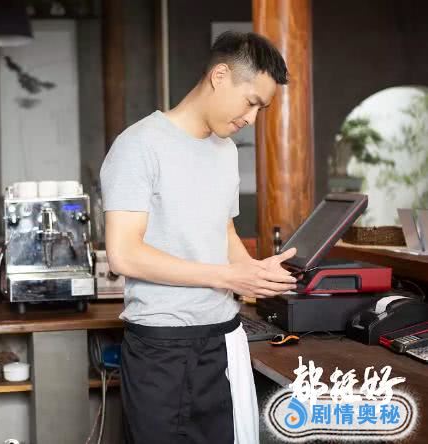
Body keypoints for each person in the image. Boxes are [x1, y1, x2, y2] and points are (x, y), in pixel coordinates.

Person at [100, 31, 298, 444]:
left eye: (261, 109)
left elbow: (222, 231)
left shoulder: (225, 151)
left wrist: (255, 273)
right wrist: (228, 277)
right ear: (220, 76)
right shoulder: (138, 145)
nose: (252, 119)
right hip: (162, 350)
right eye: (251, 102)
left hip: (222, 339)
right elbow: (124, 254)